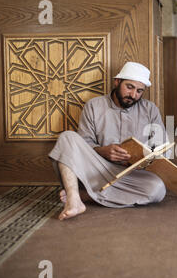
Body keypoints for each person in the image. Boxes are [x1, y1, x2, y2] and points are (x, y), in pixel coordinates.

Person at [49, 62, 168, 221]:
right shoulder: (94, 106)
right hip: (98, 170)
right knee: (67, 137)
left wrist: (143, 159)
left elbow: (162, 148)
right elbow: (83, 144)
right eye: (129, 87)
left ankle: (86, 196)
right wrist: (103, 151)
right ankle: (74, 199)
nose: (133, 95)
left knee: (157, 190)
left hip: (132, 175)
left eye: (139, 91)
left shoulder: (150, 109)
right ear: (117, 82)